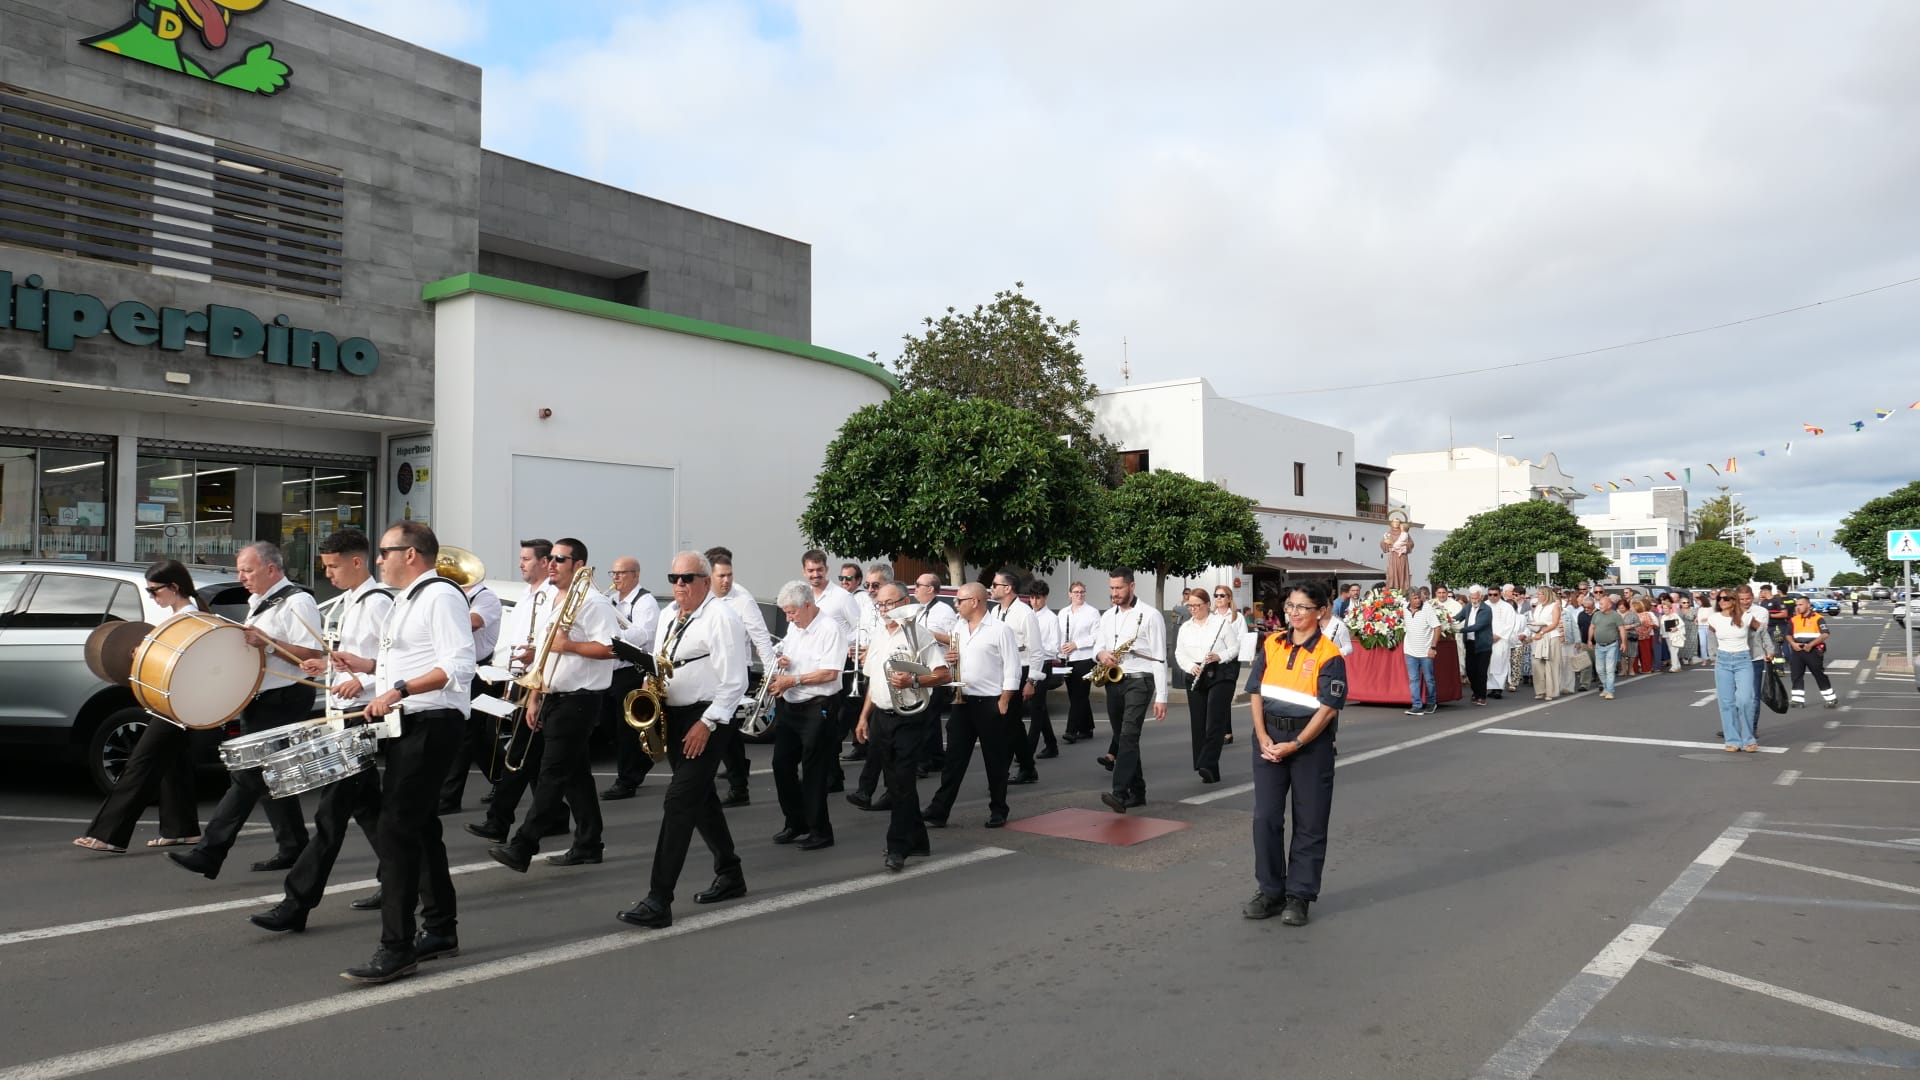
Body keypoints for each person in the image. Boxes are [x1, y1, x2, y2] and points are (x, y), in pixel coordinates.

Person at [330, 520, 476, 983]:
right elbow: (406, 661)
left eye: (385, 552)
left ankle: (397, 946)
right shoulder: (406, 600)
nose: (378, 560)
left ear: (410, 554)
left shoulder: (441, 596)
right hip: (411, 720)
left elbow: (459, 665)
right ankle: (440, 930)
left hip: (433, 721)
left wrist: (397, 689)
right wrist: (369, 670)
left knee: (394, 830)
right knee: (419, 827)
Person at [248, 528, 393, 933]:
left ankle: (296, 904)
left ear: (356, 562)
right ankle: (400, 880)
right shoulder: (347, 602)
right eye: (325, 566)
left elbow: (391, 661)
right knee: (368, 810)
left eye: (333, 566)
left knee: (330, 815)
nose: (328, 574)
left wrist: (361, 683)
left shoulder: (378, 603)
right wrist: (326, 667)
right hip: (342, 712)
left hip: (362, 713)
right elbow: (349, 657)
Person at [166, 542, 320, 879]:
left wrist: (269, 644)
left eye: (247, 570)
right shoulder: (259, 602)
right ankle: (294, 844)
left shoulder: (297, 601)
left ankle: (210, 852)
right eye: (240, 570)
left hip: (285, 698)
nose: (241, 577)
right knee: (268, 777)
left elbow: (314, 656)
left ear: (271, 568)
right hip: (260, 698)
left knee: (246, 775)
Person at [616, 551, 750, 930]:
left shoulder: (721, 617)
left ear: (705, 582)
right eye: (674, 577)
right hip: (674, 713)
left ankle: (659, 900)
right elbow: (663, 661)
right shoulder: (666, 616)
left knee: (678, 801)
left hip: (707, 715)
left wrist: (706, 723)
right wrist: (649, 680)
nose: (679, 585)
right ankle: (730, 873)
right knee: (700, 797)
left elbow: (735, 680)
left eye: (687, 578)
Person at [486, 537, 619, 873]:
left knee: (552, 775)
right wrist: (534, 695)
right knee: (576, 777)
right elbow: (547, 653)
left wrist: (569, 645)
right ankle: (590, 842)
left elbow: (611, 649)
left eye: (561, 559)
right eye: (552, 559)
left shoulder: (593, 602)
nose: (552, 564)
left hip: (580, 700)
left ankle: (523, 845)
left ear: (578, 565)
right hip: (550, 694)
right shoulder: (551, 599)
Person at [74, 560, 205, 853]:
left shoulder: (188, 617)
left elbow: (183, 659)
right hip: (178, 700)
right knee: (173, 761)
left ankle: (108, 834)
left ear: (174, 587)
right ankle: (182, 829)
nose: (151, 597)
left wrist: (147, 650)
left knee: (141, 763)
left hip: (175, 701)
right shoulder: (182, 615)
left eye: (154, 591)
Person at [1241, 582, 1345, 927]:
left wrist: (1297, 743)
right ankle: (1270, 890)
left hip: (1308, 745)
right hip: (1269, 738)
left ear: (1321, 612)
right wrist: (1261, 735)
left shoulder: (1329, 654)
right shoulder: (1272, 643)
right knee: (1266, 819)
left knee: (1310, 822)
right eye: (1291, 607)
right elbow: (1255, 691)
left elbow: (1328, 708)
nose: (1295, 613)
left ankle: (1299, 895)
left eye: (1303, 607)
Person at [465, 539, 557, 844]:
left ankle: (499, 822)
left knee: (519, 755)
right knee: (529, 759)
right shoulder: (526, 596)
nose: (521, 563)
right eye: (521, 558)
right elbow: (515, 642)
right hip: (519, 680)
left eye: (527, 559)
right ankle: (559, 816)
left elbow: (546, 645)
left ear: (544, 562)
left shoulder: (551, 596)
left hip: (538, 684)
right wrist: (507, 679)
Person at [855, 582, 951, 872]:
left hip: (910, 716)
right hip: (882, 716)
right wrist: (863, 717)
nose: (884, 610)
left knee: (902, 782)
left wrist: (913, 681)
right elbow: (874, 680)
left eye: (890, 603)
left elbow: (943, 674)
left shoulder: (918, 634)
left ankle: (897, 847)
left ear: (905, 601)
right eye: (880, 605)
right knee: (896, 783)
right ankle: (919, 840)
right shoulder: (878, 635)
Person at [922, 583, 1021, 829]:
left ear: (975, 601)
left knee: (995, 760)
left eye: (960, 600)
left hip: (990, 702)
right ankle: (939, 810)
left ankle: (999, 809)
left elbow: (1012, 667)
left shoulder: (1000, 630)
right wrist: (951, 658)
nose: (956, 604)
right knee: (954, 759)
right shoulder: (959, 628)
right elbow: (957, 662)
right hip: (963, 700)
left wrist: (1004, 700)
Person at [766, 581, 847, 850]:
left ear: (808, 605)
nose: (788, 618)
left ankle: (821, 831)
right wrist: (784, 661)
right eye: (786, 613)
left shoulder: (829, 628)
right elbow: (790, 654)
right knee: (781, 764)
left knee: (813, 770)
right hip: (791, 706)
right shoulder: (795, 626)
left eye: (792, 612)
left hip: (818, 706)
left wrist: (793, 680)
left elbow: (830, 672)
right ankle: (795, 821)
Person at [1095, 569, 1170, 814]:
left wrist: (1162, 696)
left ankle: (1119, 792)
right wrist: (1101, 654)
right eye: (1112, 589)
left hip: (1140, 680)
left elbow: (1159, 657)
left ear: (1132, 587)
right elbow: (1098, 645)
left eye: (1119, 588)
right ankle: (1138, 792)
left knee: (1128, 735)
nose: (1114, 593)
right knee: (1123, 735)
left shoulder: (1150, 615)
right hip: (1114, 679)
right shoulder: (1107, 616)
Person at [709, 547, 774, 806]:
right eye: (721, 576)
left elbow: (761, 637)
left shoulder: (742, 599)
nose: (726, 580)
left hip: (734, 674)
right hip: (708, 674)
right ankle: (737, 770)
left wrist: (770, 678)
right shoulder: (703, 597)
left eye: (729, 575)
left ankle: (739, 787)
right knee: (721, 730)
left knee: (725, 729)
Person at [438, 572, 502, 813]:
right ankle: (502, 779)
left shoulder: (486, 598)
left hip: (480, 675)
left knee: (466, 735)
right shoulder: (453, 597)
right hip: (457, 673)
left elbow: (473, 622)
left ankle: (448, 798)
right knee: (477, 738)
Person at [600, 556, 661, 801]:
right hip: (610, 670)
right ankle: (641, 762)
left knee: (626, 729)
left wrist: (615, 629)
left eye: (621, 573)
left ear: (635, 575)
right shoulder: (610, 600)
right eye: (613, 573)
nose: (615, 578)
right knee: (609, 725)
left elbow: (646, 634)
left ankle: (627, 781)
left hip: (632, 670)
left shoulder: (645, 601)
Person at [1177, 587, 1240, 782]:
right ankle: (1209, 769)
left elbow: (1235, 648)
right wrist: (1189, 666)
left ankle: (1206, 761)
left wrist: (1219, 656)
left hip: (1218, 672)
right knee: (1198, 722)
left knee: (1214, 719)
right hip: (1196, 672)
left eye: (1197, 606)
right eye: (1190, 606)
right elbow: (1179, 653)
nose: (1193, 609)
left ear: (1207, 605)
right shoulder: (1185, 627)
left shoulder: (1220, 624)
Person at [988, 568, 1040, 786]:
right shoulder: (995, 612)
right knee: (1013, 723)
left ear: (1007, 588)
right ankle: (1028, 767)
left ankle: (1001, 771)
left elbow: (1036, 650)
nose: (991, 588)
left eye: (994, 585)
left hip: (1021, 670)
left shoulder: (1025, 613)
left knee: (1008, 722)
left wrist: (1031, 681)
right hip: (1001, 671)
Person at [910, 573, 957, 778]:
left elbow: (955, 639)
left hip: (937, 670)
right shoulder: (918, 610)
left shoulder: (943, 611)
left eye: (919, 585)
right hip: (921, 667)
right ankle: (937, 758)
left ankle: (923, 762)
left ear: (931, 589)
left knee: (927, 718)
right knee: (928, 718)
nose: (915, 589)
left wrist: (929, 634)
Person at [1703, 591, 1760, 752]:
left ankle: (1749, 739)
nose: (1722, 600)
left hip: (1743, 660)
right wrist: (1713, 654)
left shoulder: (1746, 617)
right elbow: (1711, 636)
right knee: (1726, 703)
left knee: (1744, 700)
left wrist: (1766, 650)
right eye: (1719, 598)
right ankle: (1733, 740)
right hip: (1723, 661)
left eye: (1726, 598)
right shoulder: (1714, 618)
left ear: (1734, 600)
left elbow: (1760, 631)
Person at [1057, 581, 1102, 743]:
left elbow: (1097, 635)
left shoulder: (1092, 612)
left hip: (1085, 658)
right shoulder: (1063, 613)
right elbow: (1059, 634)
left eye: (1082, 592)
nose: (1079, 595)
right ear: (1070, 594)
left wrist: (1076, 644)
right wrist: (1060, 649)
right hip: (1066, 659)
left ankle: (1071, 731)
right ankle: (1087, 727)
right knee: (1074, 694)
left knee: (1080, 694)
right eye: (1076, 592)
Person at [1024, 580, 1063, 761]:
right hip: (1029, 663)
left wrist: (1036, 648)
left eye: (1038, 598)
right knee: (1039, 706)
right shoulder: (1027, 615)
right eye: (1032, 598)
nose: (1034, 601)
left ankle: (1028, 750)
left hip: (1045, 663)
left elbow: (1055, 646)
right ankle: (1051, 744)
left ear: (1045, 597)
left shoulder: (1051, 619)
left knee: (1036, 708)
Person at [1786, 596, 1837, 708]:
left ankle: (1830, 698)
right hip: (1797, 649)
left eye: (1801, 604)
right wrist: (1793, 644)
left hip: (1812, 650)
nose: (1798, 607)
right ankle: (1797, 699)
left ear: (1808, 605)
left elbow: (1825, 634)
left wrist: (1810, 645)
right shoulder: (1794, 619)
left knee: (1818, 674)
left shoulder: (1817, 618)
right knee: (1796, 674)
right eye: (1797, 605)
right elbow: (1788, 634)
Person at [1401, 587, 1442, 715]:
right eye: (1414, 598)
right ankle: (1416, 704)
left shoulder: (1427, 609)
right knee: (1413, 679)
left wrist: (1433, 647)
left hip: (1425, 651)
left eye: (1419, 597)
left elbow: (1437, 628)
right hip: (1410, 651)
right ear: (1409, 599)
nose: (1418, 600)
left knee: (1429, 678)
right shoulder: (1404, 608)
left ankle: (1431, 703)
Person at [1587, 593, 1629, 700]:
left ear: (1609, 605)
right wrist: (1589, 640)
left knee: (1609, 669)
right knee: (1600, 669)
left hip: (1611, 645)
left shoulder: (1615, 615)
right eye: (1599, 604)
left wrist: (1624, 642)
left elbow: (1621, 629)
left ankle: (1610, 691)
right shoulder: (1596, 615)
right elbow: (1592, 627)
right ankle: (1606, 687)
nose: (1599, 606)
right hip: (1598, 646)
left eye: (1601, 604)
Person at [1460, 586, 1494, 705]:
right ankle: (1475, 692)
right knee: (1470, 670)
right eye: (1472, 598)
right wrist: (1447, 621)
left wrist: (1461, 630)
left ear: (1480, 596)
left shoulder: (1486, 609)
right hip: (1470, 643)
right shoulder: (1468, 606)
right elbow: (1459, 617)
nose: (1474, 600)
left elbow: (1478, 626)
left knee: (1481, 671)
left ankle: (1481, 695)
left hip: (1483, 645)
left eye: (1476, 598)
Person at [1528, 586, 1563, 701]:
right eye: (1537, 594)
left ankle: (1550, 692)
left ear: (1546, 595)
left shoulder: (1554, 606)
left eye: (1540, 594)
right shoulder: (1538, 607)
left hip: (1551, 636)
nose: (1538, 596)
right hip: (1539, 636)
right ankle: (1540, 690)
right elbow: (1535, 621)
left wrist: (1542, 632)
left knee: (1551, 664)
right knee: (1536, 663)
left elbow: (1554, 623)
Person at [1486, 586, 1517, 700]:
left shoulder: (1507, 607)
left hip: (1501, 639)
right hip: (1487, 639)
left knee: (1500, 663)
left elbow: (1510, 623)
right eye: (1490, 594)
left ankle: (1498, 688)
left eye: (1495, 594)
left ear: (1500, 595)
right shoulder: (1485, 605)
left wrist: (1499, 635)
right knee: (1489, 664)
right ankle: (1491, 687)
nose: (1492, 597)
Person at [1380, 519, 1413, 593]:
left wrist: (1404, 545)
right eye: (1394, 522)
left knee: (1402, 573)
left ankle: (1403, 589)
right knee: (1392, 573)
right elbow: (1382, 543)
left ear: (1400, 524)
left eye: (1398, 522)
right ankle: (1392, 588)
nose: (1396, 523)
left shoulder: (1404, 533)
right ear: (1391, 523)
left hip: (1402, 556)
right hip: (1393, 556)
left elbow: (1411, 543)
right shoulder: (1388, 533)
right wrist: (1386, 543)